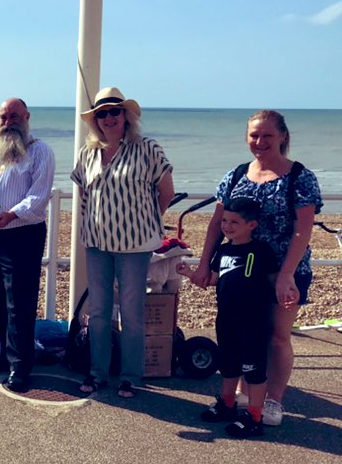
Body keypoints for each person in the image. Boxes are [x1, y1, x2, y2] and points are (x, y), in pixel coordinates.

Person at [189, 110, 322, 427]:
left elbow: (304, 230)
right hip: (240, 272)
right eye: (254, 135)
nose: (260, 142)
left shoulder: (299, 177)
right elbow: (215, 226)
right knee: (239, 334)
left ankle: (273, 401)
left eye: (267, 135)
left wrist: (287, 275)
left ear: (282, 137)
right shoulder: (235, 176)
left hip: (283, 272)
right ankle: (239, 398)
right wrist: (205, 264)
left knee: (276, 337)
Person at [71, 87, 175, 398]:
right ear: (95, 121)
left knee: (131, 312)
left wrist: (146, 222)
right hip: (97, 245)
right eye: (101, 113)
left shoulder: (147, 149)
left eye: (114, 111)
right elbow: (84, 195)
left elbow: (166, 192)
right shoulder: (87, 154)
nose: (108, 118)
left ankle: (131, 375)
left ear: (125, 115)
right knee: (100, 312)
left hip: (135, 247)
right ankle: (98, 372)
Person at [0, 98, 56, 392]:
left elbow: (39, 196)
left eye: (15, 116)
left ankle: (20, 366)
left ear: (27, 117)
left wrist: (11, 215)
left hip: (22, 235)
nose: (8, 121)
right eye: (4, 117)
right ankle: (5, 356)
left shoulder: (39, 151)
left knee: (19, 303)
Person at [177, 197, 278, 437]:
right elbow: (211, 280)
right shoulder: (222, 250)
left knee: (254, 370)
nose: (227, 226)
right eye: (224, 221)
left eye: (234, 222)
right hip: (226, 319)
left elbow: (274, 281)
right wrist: (189, 273)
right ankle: (227, 404)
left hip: (253, 321)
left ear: (251, 225)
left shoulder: (261, 250)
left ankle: (254, 416)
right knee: (229, 365)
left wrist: (285, 293)